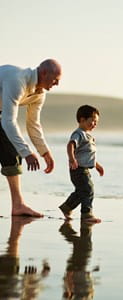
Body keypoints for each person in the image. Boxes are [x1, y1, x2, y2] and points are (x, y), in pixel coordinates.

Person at [0, 59, 62, 217]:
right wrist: (26, 152)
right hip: (3, 116)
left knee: (11, 148)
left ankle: (18, 205)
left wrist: (44, 152)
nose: (57, 84)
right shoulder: (17, 80)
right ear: (43, 73)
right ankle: (18, 204)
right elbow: (8, 121)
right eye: (55, 79)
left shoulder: (40, 93)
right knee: (13, 145)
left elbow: (33, 124)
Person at [59, 105, 104, 223]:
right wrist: (72, 159)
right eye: (92, 120)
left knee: (82, 191)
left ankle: (67, 207)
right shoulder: (79, 134)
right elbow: (70, 145)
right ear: (82, 120)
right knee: (88, 189)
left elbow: (88, 155)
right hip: (77, 169)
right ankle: (86, 214)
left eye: (96, 122)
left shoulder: (89, 136)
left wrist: (97, 166)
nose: (95, 124)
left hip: (84, 169)